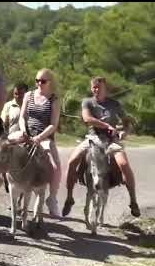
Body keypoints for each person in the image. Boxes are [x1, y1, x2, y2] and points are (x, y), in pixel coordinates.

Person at [62, 77, 141, 218]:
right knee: (72, 161)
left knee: (124, 164)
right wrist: (107, 126)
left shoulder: (115, 104)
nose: (96, 89)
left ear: (106, 88)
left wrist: (124, 132)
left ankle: (133, 200)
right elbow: (87, 119)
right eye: (94, 87)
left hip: (111, 140)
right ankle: (69, 197)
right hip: (93, 138)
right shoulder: (87, 102)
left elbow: (127, 123)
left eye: (99, 87)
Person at [18, 69, 62, 217]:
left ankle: (53, 198)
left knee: (55, 167)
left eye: (42, 81)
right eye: (37, 80)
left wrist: (40, 137)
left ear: (50, 82)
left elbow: (53, 124)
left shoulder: (54, 99)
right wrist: (24, 130)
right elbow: (22, 116)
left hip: (44, 137)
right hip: (26, 134)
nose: (39, 84)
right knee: (3, 149)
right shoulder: (28, 95)